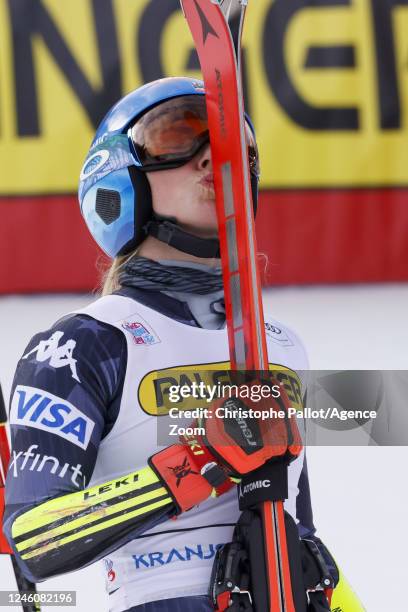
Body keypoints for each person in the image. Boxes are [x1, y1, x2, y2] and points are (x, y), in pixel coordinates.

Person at [4, 77, 361, 611]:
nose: (209, 158)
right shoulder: (84, 344)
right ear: (119, 178)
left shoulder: (280, 344)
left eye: (230, 146)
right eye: (177, 137)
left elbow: (300, 533)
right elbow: (33, 538)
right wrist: (198, 464)